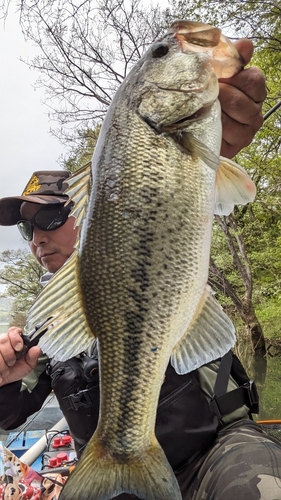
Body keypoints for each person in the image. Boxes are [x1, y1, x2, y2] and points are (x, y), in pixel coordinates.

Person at [0, 40, 281, 499]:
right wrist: (3, 383)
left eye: (49, 219)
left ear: (86, 214)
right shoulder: (50, 319)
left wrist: (217, 134)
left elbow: (180, 184)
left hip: (213, 450)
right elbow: (10, 415)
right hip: (111, 462)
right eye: (26, 231)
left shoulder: (143, 193)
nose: (38, 239)